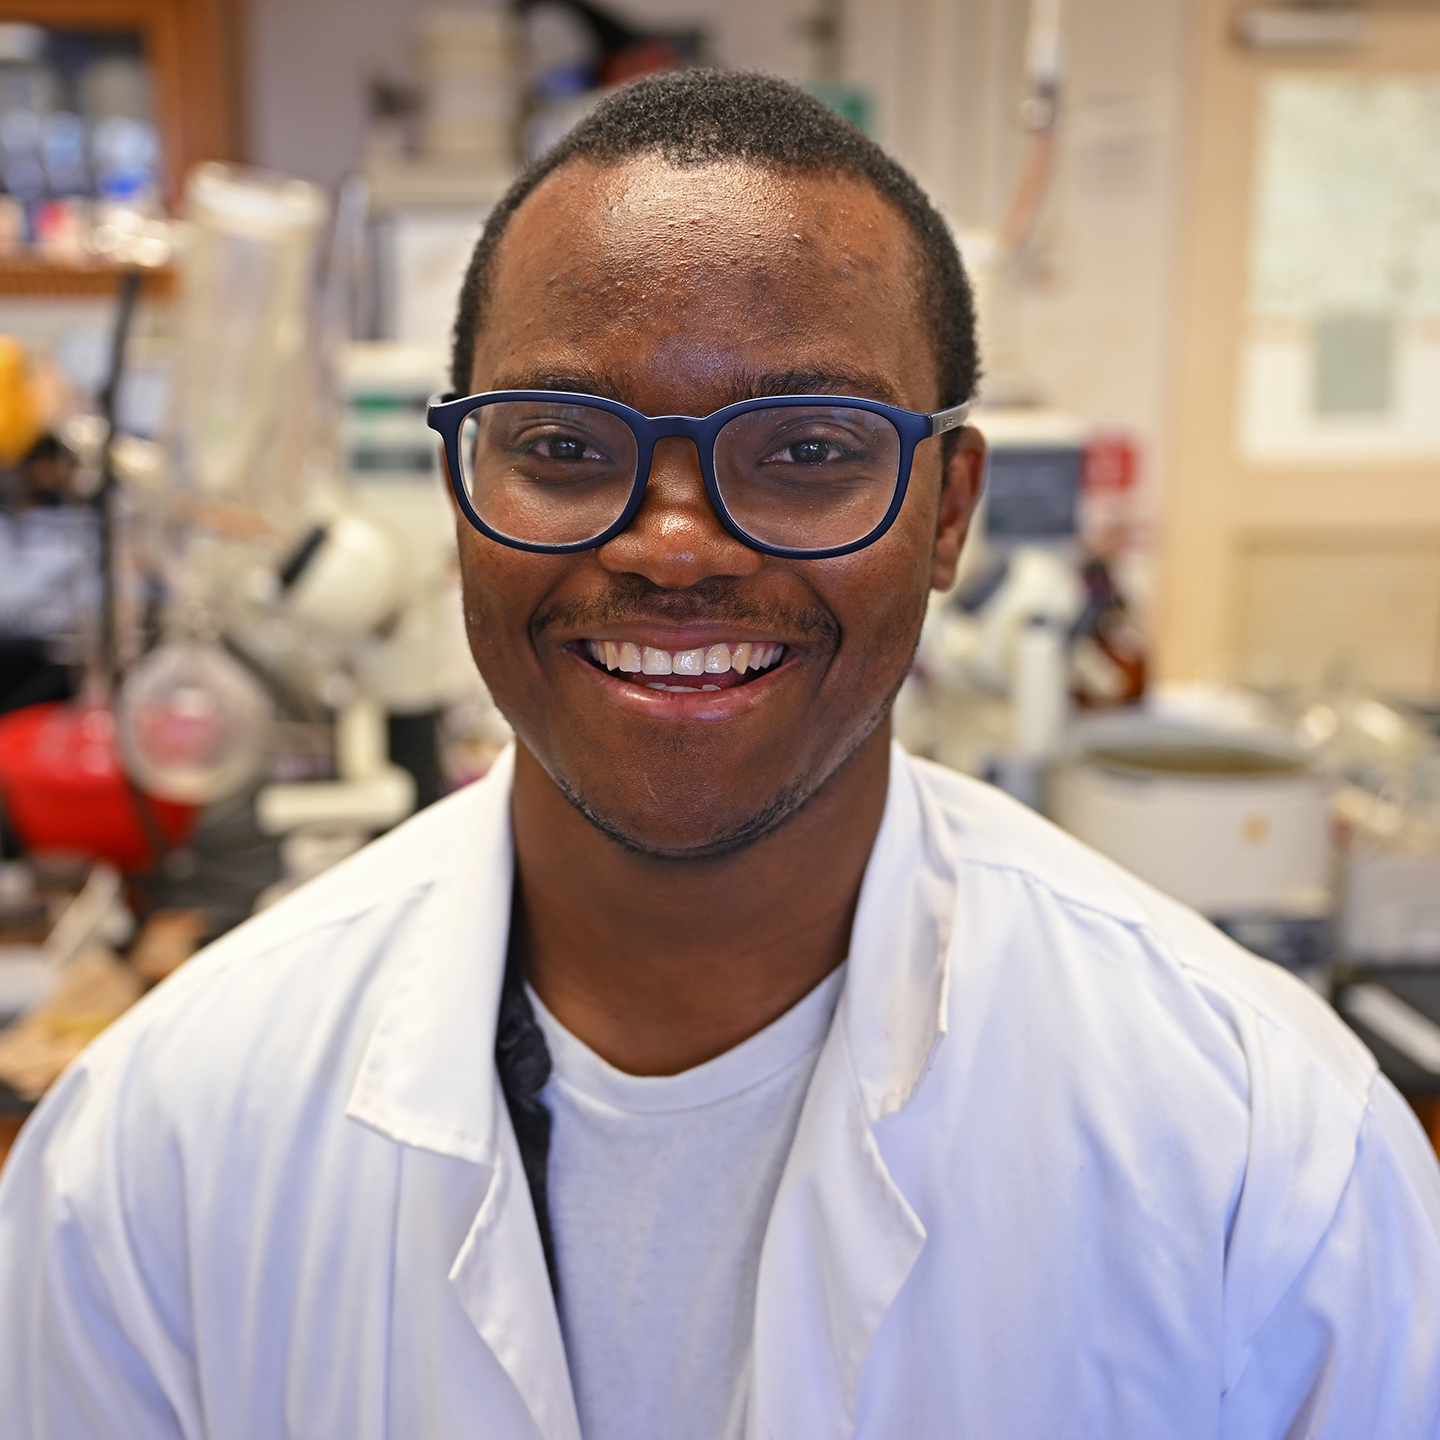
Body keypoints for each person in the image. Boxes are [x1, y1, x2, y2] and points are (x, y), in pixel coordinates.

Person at [2, 70, 1439, 1440]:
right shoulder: (157, 1149)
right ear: (458, 489)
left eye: (808, 451)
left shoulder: (1265, 1154)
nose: (674, 545)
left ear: (948, 512)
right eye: (564, 446)